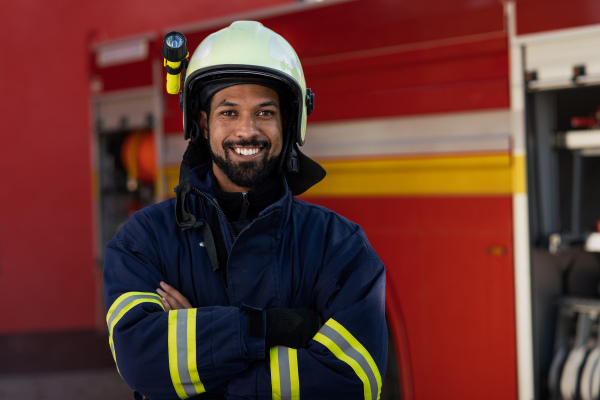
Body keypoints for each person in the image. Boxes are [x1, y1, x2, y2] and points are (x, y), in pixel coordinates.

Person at [103, 21, 387, 400]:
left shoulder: (339, 246)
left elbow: (354, 380)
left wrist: (200, 364)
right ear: (203, 122)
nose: (247, 130)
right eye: (229, 112)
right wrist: (272, 329)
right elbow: (140, 360)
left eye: (265, 112)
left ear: (289, 122)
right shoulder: (143, 240)